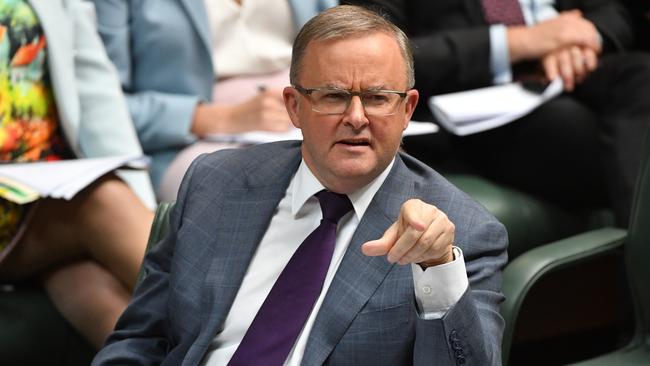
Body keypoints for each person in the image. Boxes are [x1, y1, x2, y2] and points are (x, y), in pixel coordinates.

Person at [92, 5, 508, 365]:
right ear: (294, 106)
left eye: (379, 98)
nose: (357, 117)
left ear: (407, 108)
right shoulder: (212, 183)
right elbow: (139, 341)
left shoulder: (459, 235)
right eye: (333, 96)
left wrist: (437, 269)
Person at [346, 0, 650, 226]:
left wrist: (585, 36)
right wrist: (520, 42)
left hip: (572, 66)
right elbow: (369, 51)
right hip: (473, 98)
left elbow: (613, 8)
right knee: (571, 127)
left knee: (643, 76)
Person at [0, 0, 156, 349]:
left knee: (91, 282)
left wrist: (139, 207)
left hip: (48, 187)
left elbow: (95, 86)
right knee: (102, 200)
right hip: (33, 199)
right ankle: (250, 333)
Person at [89, 0, 337, 200]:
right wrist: (220, 117)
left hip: (311, 110)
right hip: (189, 140)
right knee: (262, 196)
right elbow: (100, 108)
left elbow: (336, 46)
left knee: (355, 173)